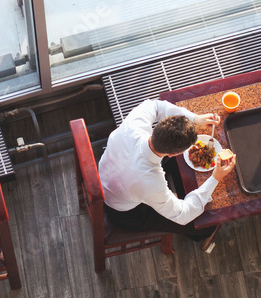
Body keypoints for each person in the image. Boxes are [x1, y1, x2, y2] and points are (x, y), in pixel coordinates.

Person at [97, 98, 235, 245]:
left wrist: (194, 118)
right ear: (172, 154)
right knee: (206, 225)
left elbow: (155, 105)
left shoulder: (134, 124)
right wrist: (215, 178)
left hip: (110, 175)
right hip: (123, 211)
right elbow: (183, 215)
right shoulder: (151, 182)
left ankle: (180, 192)